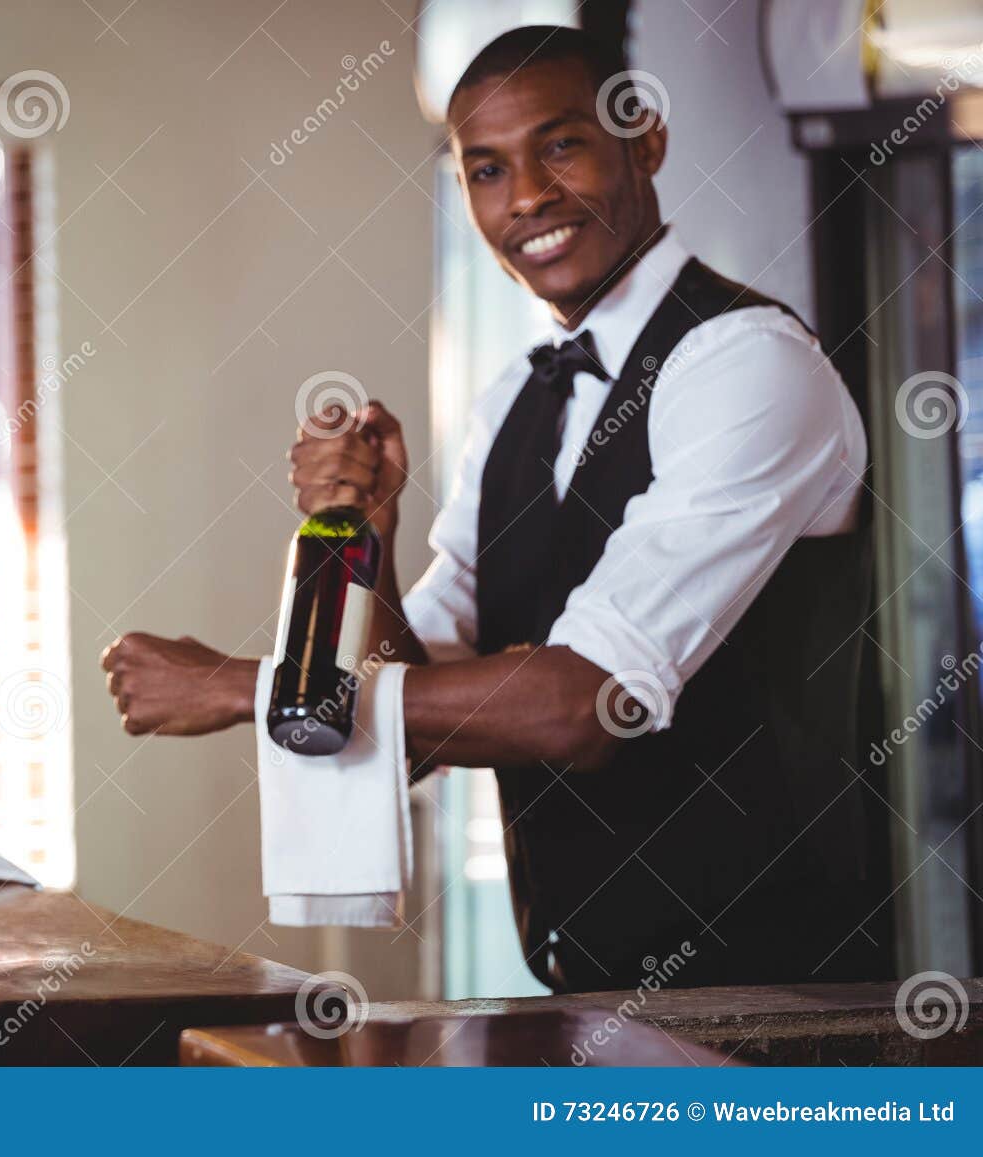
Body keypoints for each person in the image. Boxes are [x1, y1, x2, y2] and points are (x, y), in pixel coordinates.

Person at [101, 25, 883, 992]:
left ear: (645, 141)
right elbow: (414, 714)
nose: (526, 198)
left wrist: (244, 685)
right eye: (485, 170)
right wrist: (369, 540)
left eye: (561, 146)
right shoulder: (513, 398)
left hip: (787, 1001)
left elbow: (586, 704)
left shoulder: (747, 364)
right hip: (582, 986)